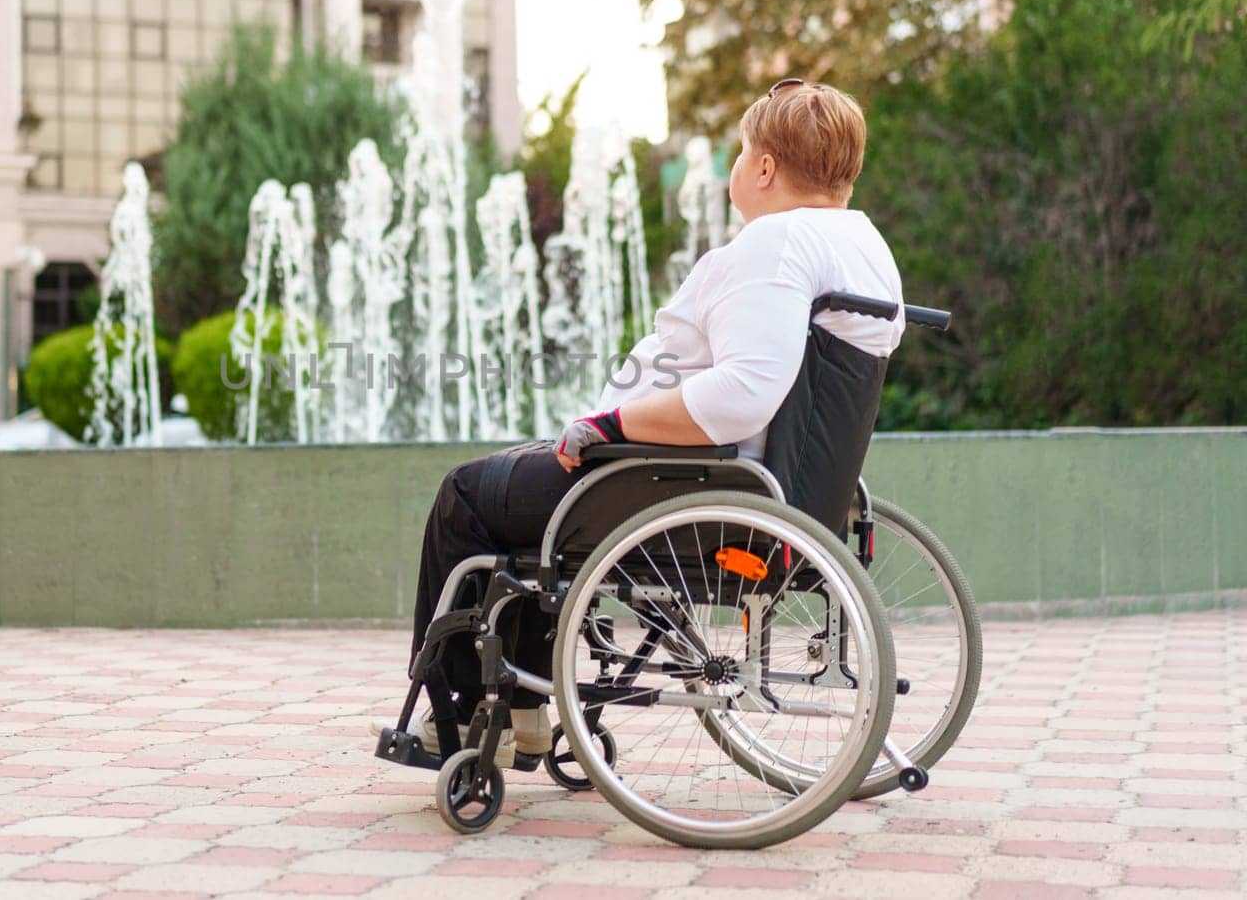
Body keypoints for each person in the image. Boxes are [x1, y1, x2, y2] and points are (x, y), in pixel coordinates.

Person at [383, 79, 904, 764]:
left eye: (742, 153)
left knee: (469, 496)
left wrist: (611, 424)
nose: (737, 168)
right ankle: (521, 712)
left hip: (678, 484)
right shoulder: (862, 244)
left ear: (766, 168)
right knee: (532, 500)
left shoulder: (776, 242)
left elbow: (743, 393)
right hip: (762, 491)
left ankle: (466, 719)